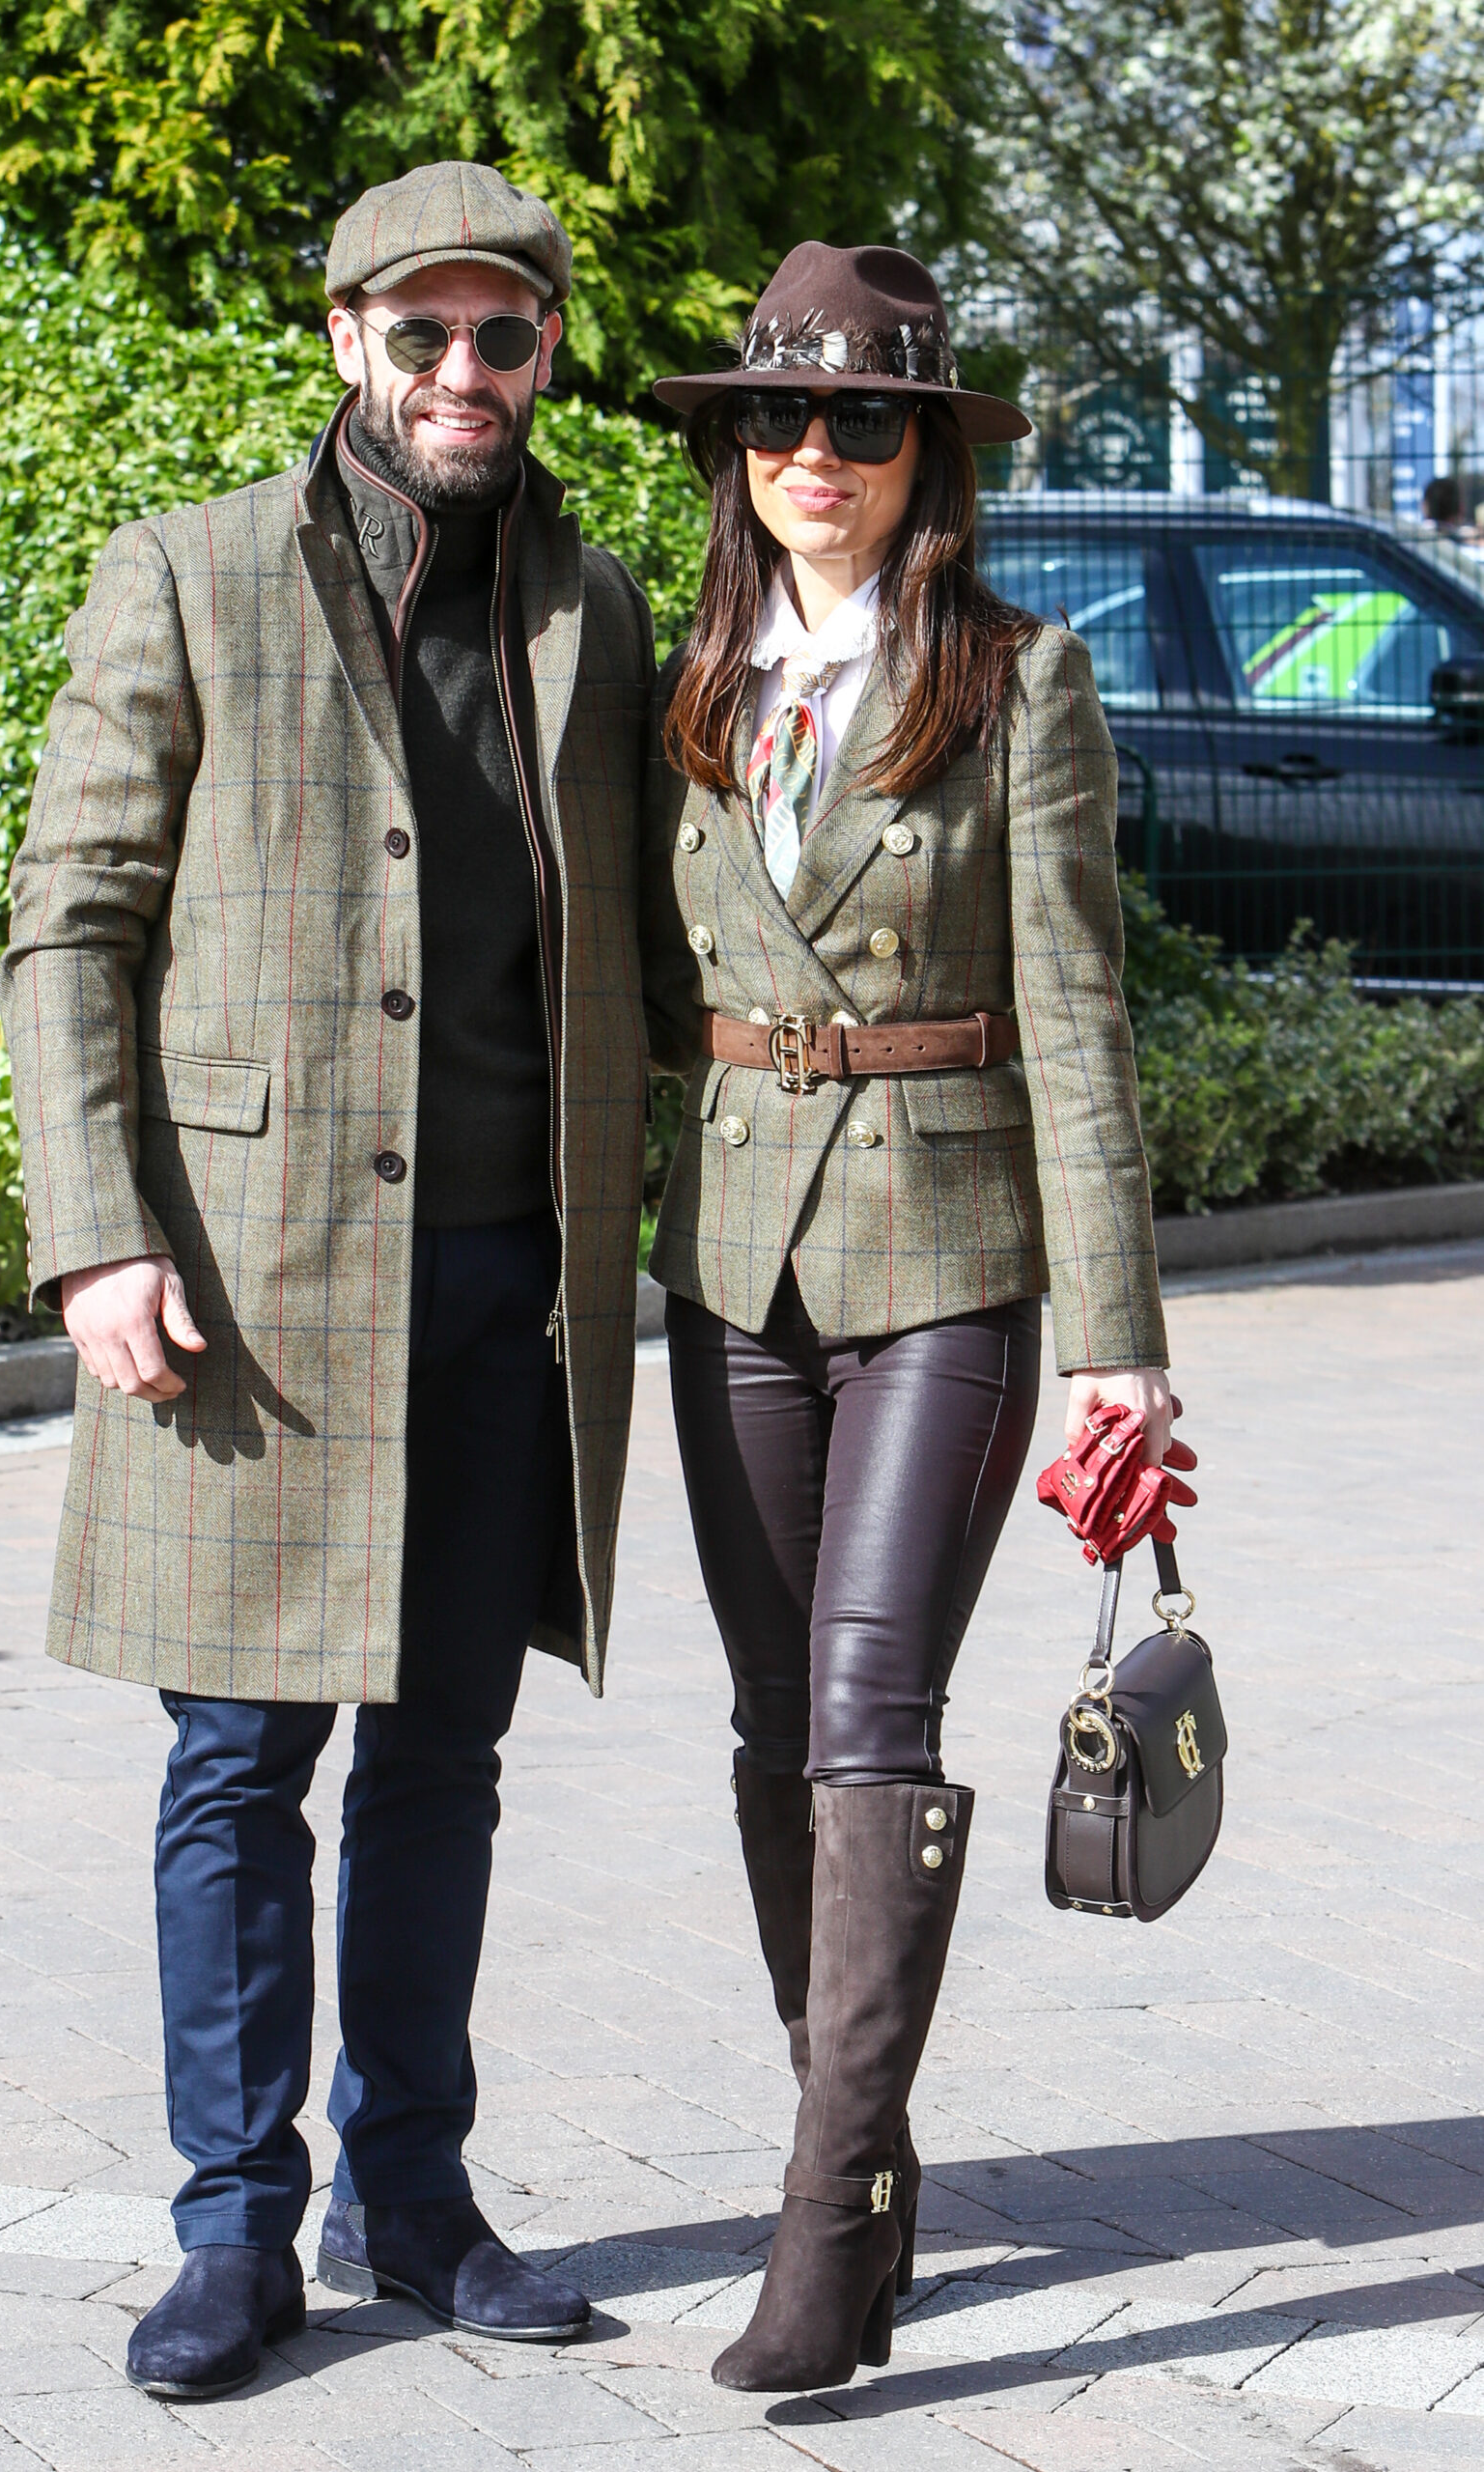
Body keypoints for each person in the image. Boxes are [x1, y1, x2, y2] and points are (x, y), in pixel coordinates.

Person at [0, 158, 695, 2401]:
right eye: (425, 335)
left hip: (513, 1272)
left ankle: (414, 2196)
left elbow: (686, 938)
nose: (465, 372)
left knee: (443, 1757)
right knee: (234, 1760)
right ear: (346, 344)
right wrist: (98, 1225)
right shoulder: (185, 574)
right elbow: (72, 920)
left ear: (548, 350)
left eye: (503, 335)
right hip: (250, 1286)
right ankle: (231, 2225)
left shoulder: (598, 607)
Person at [644, 242, 1175, 2393]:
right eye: (775, 418)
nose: (811, 456)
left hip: (947, 1248)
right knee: (774, 1726)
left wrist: (1116, 1337)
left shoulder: (1015, 679)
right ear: (733, 450)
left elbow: (1073, 1005)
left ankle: (817, 2204)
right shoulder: (681, 683)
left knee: (870, 1709)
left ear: (926, 449)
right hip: (725, 1254)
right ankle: (866, 2162)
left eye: (860, 420)